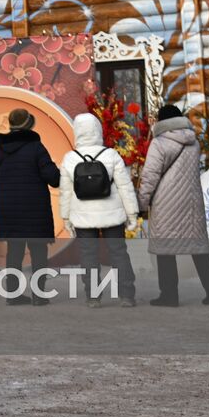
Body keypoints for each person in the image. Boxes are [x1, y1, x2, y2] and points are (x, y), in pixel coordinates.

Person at [139, 105, 209, 307]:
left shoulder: (159, 143)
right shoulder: (193, 142)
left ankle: (169, 296)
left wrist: (142, 202)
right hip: (192, 201)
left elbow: (150, 176)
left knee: (165, 249)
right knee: (198, 248)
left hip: (166, 202)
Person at [59, 112, 139, 307]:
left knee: (88, 255)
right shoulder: (111, 154)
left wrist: (66, 218)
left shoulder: (70, 158)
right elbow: (125, 186)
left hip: (82, 216)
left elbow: (66, 192)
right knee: (119, 252)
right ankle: (126, 295)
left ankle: (93, 296)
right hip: (113, 214)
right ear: (98, 130)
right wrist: (132, 214)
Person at [0, 108, 61, 305]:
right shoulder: (37, 148)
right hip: (35, 209)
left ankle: (12, 295)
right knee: (38, 252)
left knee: (14, 252)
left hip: (9, 210)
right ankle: (39, 296)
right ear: (29, 125)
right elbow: (53, 178)